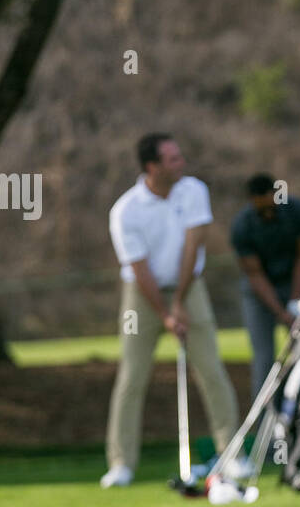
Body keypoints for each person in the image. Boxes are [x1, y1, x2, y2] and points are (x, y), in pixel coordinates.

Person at [101, 133, 239, 487]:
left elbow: (194, 248)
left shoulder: (193, 190)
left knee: (210, 368)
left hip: (188, 285)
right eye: (173, 159)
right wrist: (164, 313)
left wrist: (179, 302)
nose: (182, 163)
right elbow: (139, 269)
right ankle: (121, 464)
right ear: (152, 167)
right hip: (141, 292)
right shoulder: (125, 211)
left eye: (180, 156)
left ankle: (232, 456)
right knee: (131, 376)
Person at [230, 174, 300, 399]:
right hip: (259, 292)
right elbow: (254, 275)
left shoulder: (296, 211)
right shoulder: (242, 225)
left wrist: (295, 302)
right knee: (264, 357)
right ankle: (265, 416)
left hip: (293, 282)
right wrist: (281, 312)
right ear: (252, 199)